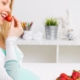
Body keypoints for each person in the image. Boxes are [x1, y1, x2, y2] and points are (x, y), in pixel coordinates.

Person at [0, 0, 40, 80]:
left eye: (9, 5)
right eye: (4, 3)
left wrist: (10, 40)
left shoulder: (3, 37)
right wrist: (10, 40)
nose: (9, 10)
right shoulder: (9, 40)